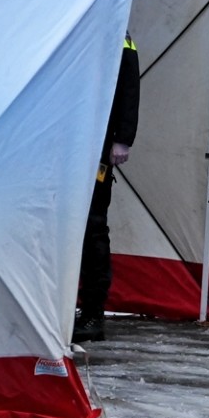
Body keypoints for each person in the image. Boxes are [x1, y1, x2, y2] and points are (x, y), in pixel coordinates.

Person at [74, 34, 140, 343]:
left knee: (92, 226)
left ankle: (93, 314)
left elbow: (129, 86)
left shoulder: (118, 33)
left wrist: (123, 136)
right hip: (69, 139)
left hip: (97, 141)